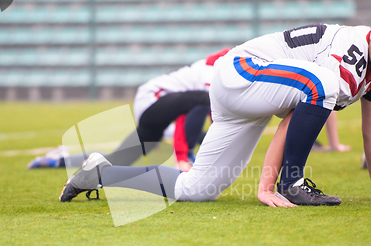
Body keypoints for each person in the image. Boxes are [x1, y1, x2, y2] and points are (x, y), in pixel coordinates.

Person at [59, 7, 371, 207]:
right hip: (242, 72)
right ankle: (292, 183)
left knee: (199, 189)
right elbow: (302, 108)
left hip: (249, 96)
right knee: (323, 85)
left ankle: (101, 174)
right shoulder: (349, 51)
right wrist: (269, 185)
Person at [28, 48, 230, 172]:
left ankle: (58, 160)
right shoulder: (209, 73)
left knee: (118, 160)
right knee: (203, 99)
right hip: (152, 102)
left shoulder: (208, 72)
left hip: (156, 108)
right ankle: (184, 160)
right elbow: (208, 112)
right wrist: (182, 156)